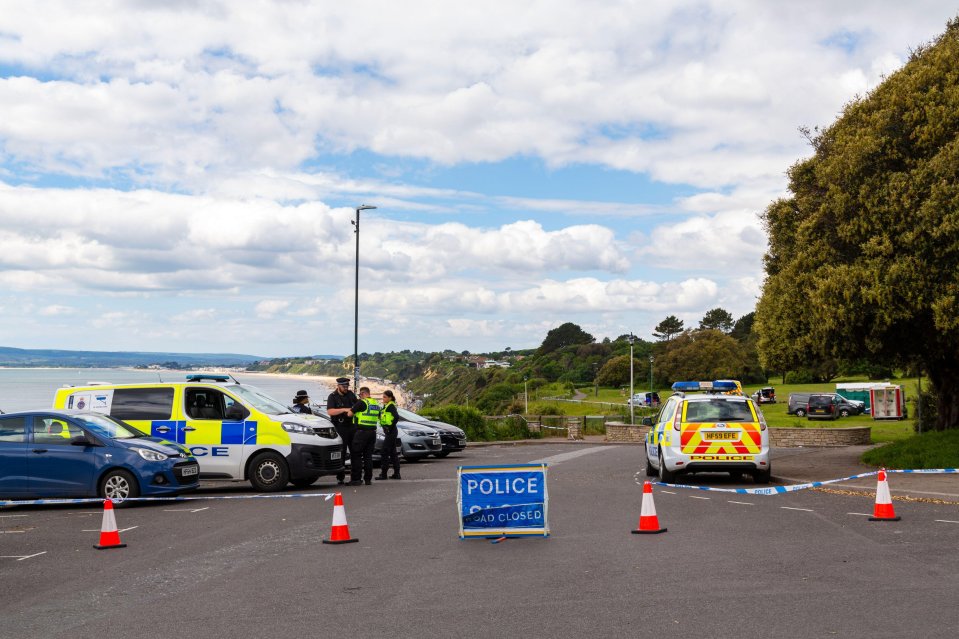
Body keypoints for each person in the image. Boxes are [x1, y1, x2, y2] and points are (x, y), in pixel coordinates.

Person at [347, 386, 381, 486]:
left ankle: (356, 479)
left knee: (356, 455)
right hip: (372, 433)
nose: (359, 397)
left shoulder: (362, 402)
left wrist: (352, 409)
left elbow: (349, 414)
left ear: (362, 394)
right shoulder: (376, 403)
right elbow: (378, 416)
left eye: (359, 395)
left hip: (361, 432)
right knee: (368, 456)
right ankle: (368, 479)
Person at [326, 377, 358, 485]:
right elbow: (330, 411)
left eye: (347, 386)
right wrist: (344, 409)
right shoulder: (332, 396)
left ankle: (355, 477)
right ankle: (340, 477)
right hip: (340, 427)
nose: (346, 388)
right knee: (342, 452)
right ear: (338, 386)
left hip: (352, 426)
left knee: (355, 451)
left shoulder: (350, 394)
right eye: (344, 386)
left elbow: (357, 406)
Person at [376, 389, 401, 480]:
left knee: (384, 452)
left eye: (385, 397)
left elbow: (396, 417)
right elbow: (382, 417)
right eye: (383, 397)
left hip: (391, 431)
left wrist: (389, 427)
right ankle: (397, 474)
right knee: (393, 453)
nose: (383, 398)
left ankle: (383, 474)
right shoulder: (386, 406)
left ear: (390, 398)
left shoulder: (390, 406)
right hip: (389, 431)